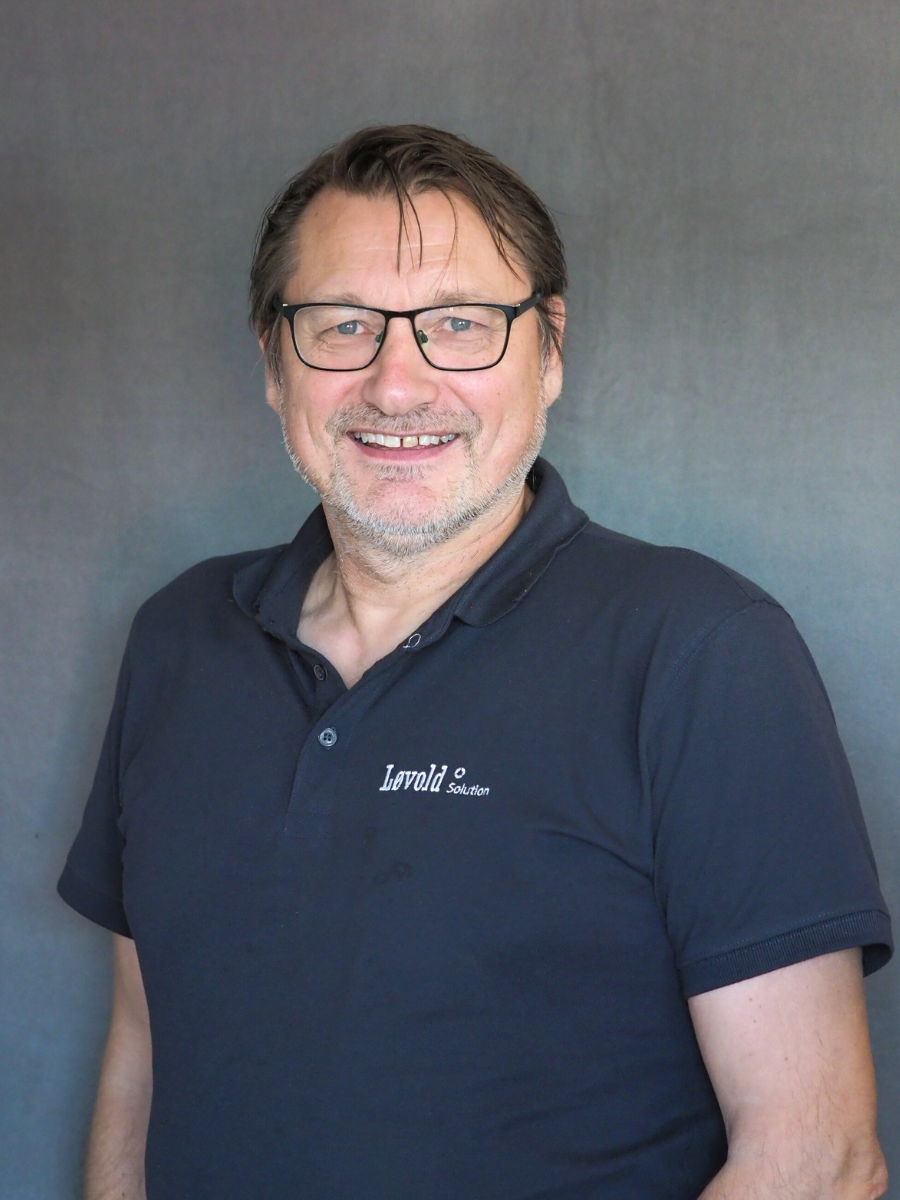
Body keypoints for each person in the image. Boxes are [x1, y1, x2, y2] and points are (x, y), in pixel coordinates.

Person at [59, 124, 892, 1200]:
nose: (398, 385)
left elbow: (817, 1161)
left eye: (459, 324)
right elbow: (142, 1054)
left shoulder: (700, 650)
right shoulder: (179, 636)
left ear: (550, 350)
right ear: (272, 361)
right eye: (343, 325)